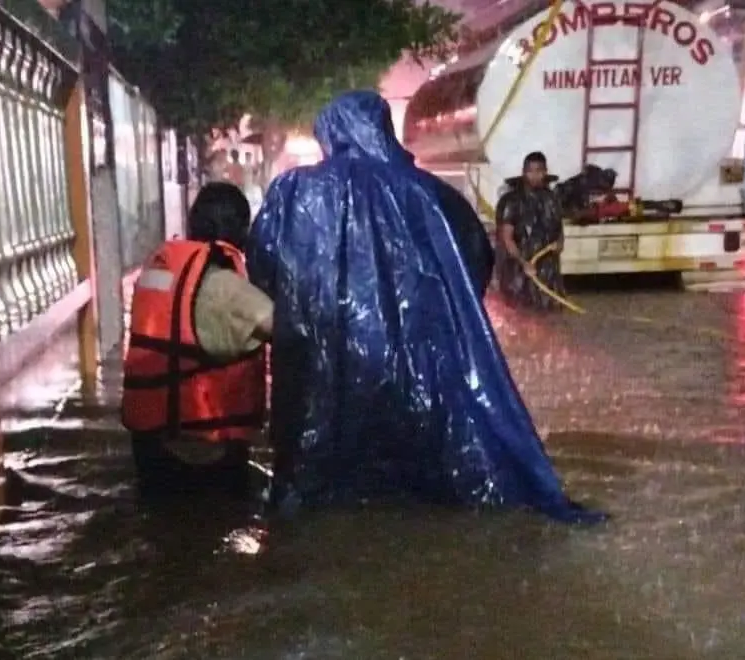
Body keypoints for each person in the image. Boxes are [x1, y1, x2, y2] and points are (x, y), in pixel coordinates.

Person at [247, 90, 605, 523]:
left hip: (329, 359)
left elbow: (264, 264)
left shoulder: (294, 191)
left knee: (322, 476)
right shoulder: (430, 193)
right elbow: (474, 260)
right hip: (419, 356)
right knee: (424, 468)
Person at [122, 182, 273, 497]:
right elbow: (294, 333)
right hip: (208, 457)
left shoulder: (157, 273)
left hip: (151, 447)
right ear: (240, 232)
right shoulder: (231, 291)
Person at [496, 151, 566, 310]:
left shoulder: (552, 199)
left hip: (548, 272)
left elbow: (559, 228)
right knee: (522, 314)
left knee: (550, 316)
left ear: (545, 172)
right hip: (519, 273)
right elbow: (507, 238)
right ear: (524, 172)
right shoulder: (511, 201)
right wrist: (524, 263)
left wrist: (560, 243)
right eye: (531, 171)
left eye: (539, 171)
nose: (535, 175)